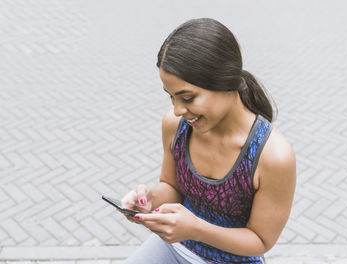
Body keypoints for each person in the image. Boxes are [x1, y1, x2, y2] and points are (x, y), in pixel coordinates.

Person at [121, 18, 296, 264]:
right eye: (171, 97)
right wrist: (149, 200)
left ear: (225, 81)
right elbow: (172, 188)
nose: (178, 110)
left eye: (188, 98)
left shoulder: (273, 155)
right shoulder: (175, 126)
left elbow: (260, 240)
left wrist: (195, 229)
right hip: (175, 248)